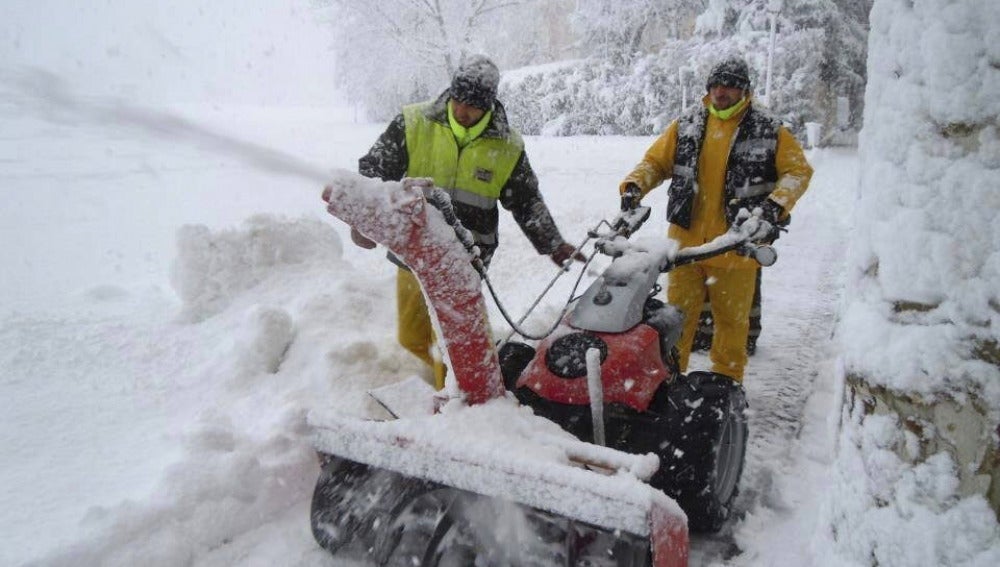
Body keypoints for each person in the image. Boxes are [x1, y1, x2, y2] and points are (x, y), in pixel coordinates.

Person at [353, 55, 584, 389]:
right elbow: (373, 169)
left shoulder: (507, 145)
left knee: (450, 341)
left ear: (489, 105)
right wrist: (364, 218)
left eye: (473, 107)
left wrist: (552, 243)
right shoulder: (413, 122)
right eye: (458, 100)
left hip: (467, 258)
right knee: (412, 336)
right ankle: (451, 384)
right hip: (413, 253)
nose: (462, 111)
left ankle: (455, 402)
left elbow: (526, 200)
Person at [618, 56, 813, 382]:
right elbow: (655, 162)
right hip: (686, 245)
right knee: (676, 320)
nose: (722, 92)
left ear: (744, 89)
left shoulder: (767, 127)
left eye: (731, 85)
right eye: (717, 85)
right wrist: (635, 185)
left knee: (732, 326)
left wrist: (773, 207)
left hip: (737, 245)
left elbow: (798, 171)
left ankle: (726, 386)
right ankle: (670, 383)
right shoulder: (688, 123)